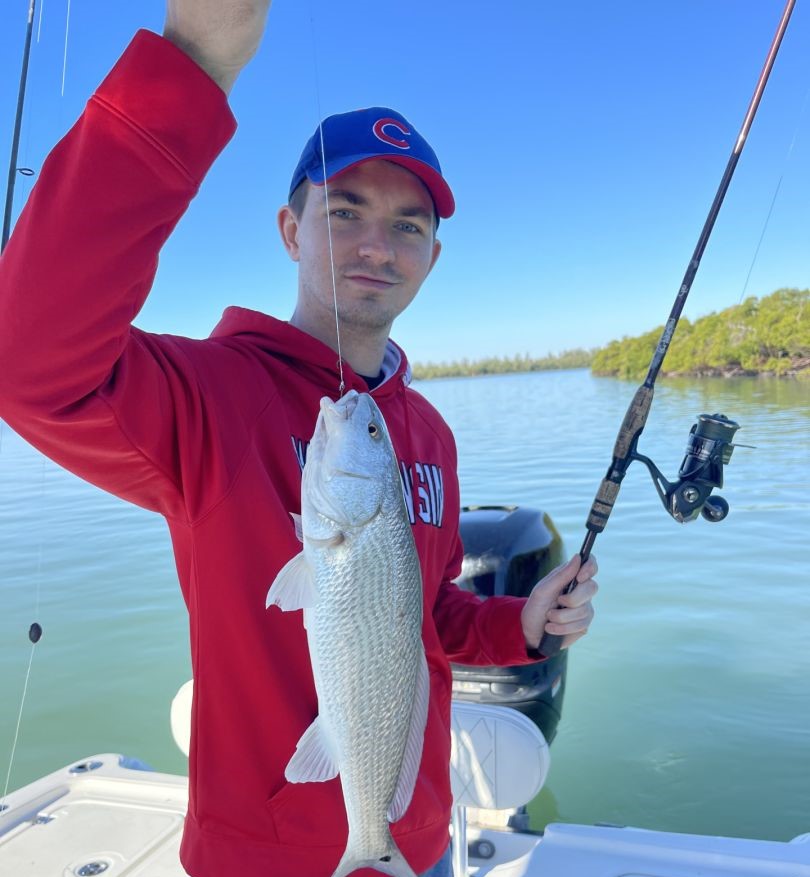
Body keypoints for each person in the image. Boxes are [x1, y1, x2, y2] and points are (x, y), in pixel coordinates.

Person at [0, 2, 598, 876]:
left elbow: (425, 613)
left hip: (412, 840)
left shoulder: (425, 429)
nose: (375, 246)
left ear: (432, 258)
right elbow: (28, 362)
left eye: (408, 226)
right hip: (263, 857)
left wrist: (521, 624)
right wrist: (192, 61)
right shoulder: (215, 394)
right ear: (289, 231)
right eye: (344, 210)